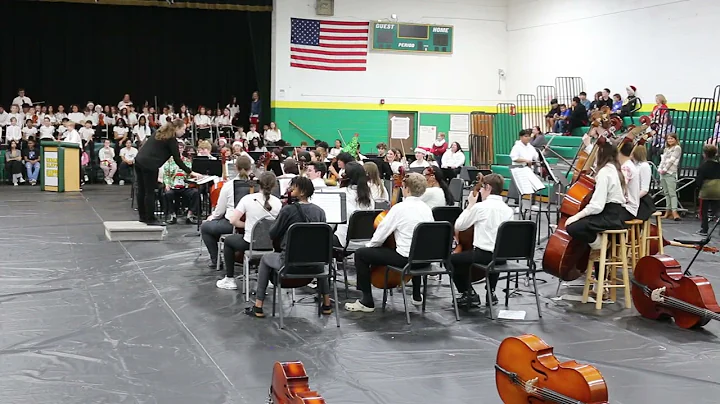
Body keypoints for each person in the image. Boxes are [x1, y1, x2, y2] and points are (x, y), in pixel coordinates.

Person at [344, 173, 433, 313]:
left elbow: (381, 233)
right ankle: (416, 295)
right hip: (425, 260)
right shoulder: (426, 208)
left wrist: (370, 246)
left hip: (405, 259)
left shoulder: (399, 208)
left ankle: (366, 301)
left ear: (406, 188)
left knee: (361, 254)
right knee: (415, 248)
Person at [244, 176, 332, 318]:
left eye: (294, 187)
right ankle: (327, 304)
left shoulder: (288, 210)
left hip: (290, 264)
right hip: (315, 266)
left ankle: (258, 306)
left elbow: (273, 233)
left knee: (266, 259)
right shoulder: (320, 212)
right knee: (317, 259)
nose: (290, 189)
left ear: (302, 192)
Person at [451, 173, 513, 306]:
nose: (480, 191)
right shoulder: (508, 210)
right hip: (502, 257)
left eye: (482, 188)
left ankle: (468, 293)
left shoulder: (480, 207)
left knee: (450, 260)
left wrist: (470, 206)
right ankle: (491, 292)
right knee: (496, 249)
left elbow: (459, 226)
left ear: (488, 188)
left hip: (483, 255)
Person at [216, 171, 282, 290]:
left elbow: (233, 221)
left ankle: (229, 279)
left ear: (258, 184)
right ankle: (270, 279)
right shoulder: (278, 203)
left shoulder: (247, 199)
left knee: (228, 242)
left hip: (250, 243)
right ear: (274, 186)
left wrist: (247, 225)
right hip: (270, 245)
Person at [135, 119, 200, 225]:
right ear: (177, 128)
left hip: (139, 160)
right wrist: (191, 172)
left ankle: (143, 217)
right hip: (150, 164)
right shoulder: (171, 139)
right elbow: (177, 159)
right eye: (183, 129)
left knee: (142, 190)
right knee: (149, 192)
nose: (184, 132)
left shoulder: (160, 133)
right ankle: (150, 219)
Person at [564, 142, 626, 250]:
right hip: (616, 214)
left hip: (608, 216)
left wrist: (576, 216)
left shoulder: (604, 172)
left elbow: (597, 206)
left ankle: (602, 246)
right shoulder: (615, 169)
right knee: (583, 224)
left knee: (573, 228)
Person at [200, 156, 254, 267]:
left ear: (235, 168)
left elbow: (220, 211)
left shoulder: (228, 186)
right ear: (251, 168)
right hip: (255, 225)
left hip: (233, 224)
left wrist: (212, 217)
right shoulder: (258, 184)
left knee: (205, 227)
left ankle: (216, 260)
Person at [333, 162, 375, 247]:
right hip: (366, 241)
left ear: (346, 176)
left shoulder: (340, 194)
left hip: (344, 241)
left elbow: (330, 224)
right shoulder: (369, 195)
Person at [162, 141, 199, 225]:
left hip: (184, 186)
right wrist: (167, 184)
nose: (179, 150)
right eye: (178, 148)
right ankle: (172, 215)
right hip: (173, 186)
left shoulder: (187, 161)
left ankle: (190, 215)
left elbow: (190, 174)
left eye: (181, 148)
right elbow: (166, 175)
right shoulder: (169, 161)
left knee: (195, 193)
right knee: (168, 194)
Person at [696, 144, 720, 236]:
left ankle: (704, 229)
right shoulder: (718, 165)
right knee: (717, 210)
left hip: (706, 191)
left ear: (704, 154)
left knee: (703, 211)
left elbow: (699, 181)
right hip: (718, 189)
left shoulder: (703, 166)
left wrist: (698, 188)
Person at [658, 133, 682, 221]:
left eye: (672, 138)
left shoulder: (677, 148)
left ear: (675, 139)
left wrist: (665, 169)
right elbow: (663, 160)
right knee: (666, 193)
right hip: (663, 173)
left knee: (672, 193)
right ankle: (667, 211)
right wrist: (660, 168)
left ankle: (675, 212)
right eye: (668, 139)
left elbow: (672, 160)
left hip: (670, 172)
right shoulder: (666, 149)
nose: (670, 140)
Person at [631, 145, 656, 221]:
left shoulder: (644, 166)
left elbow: (644, 190)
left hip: (642, 200)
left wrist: (633, 198)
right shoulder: (633, 165)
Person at [618, 142, 640, 220]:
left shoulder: (626, 167)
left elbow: (619, 188)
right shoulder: (628, 165)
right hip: (627, 207)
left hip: (627, 209)